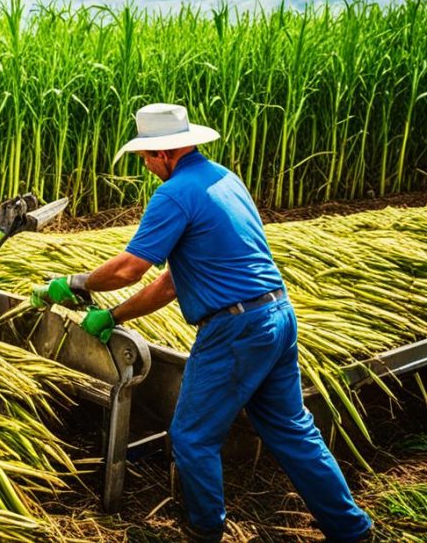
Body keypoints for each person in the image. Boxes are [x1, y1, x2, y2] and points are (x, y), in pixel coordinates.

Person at [31, 103, 372, 542]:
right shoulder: (224, 179)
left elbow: (130, 268)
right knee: (292, 430)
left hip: (236, 331)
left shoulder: (173, 194)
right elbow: (172, 283)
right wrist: (114, 315)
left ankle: (205, 531)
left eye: (145, 159)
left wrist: (75, 283)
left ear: (162, 155)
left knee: (191, 436)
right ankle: (352, 530)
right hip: (277, 316)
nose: (147, 167)